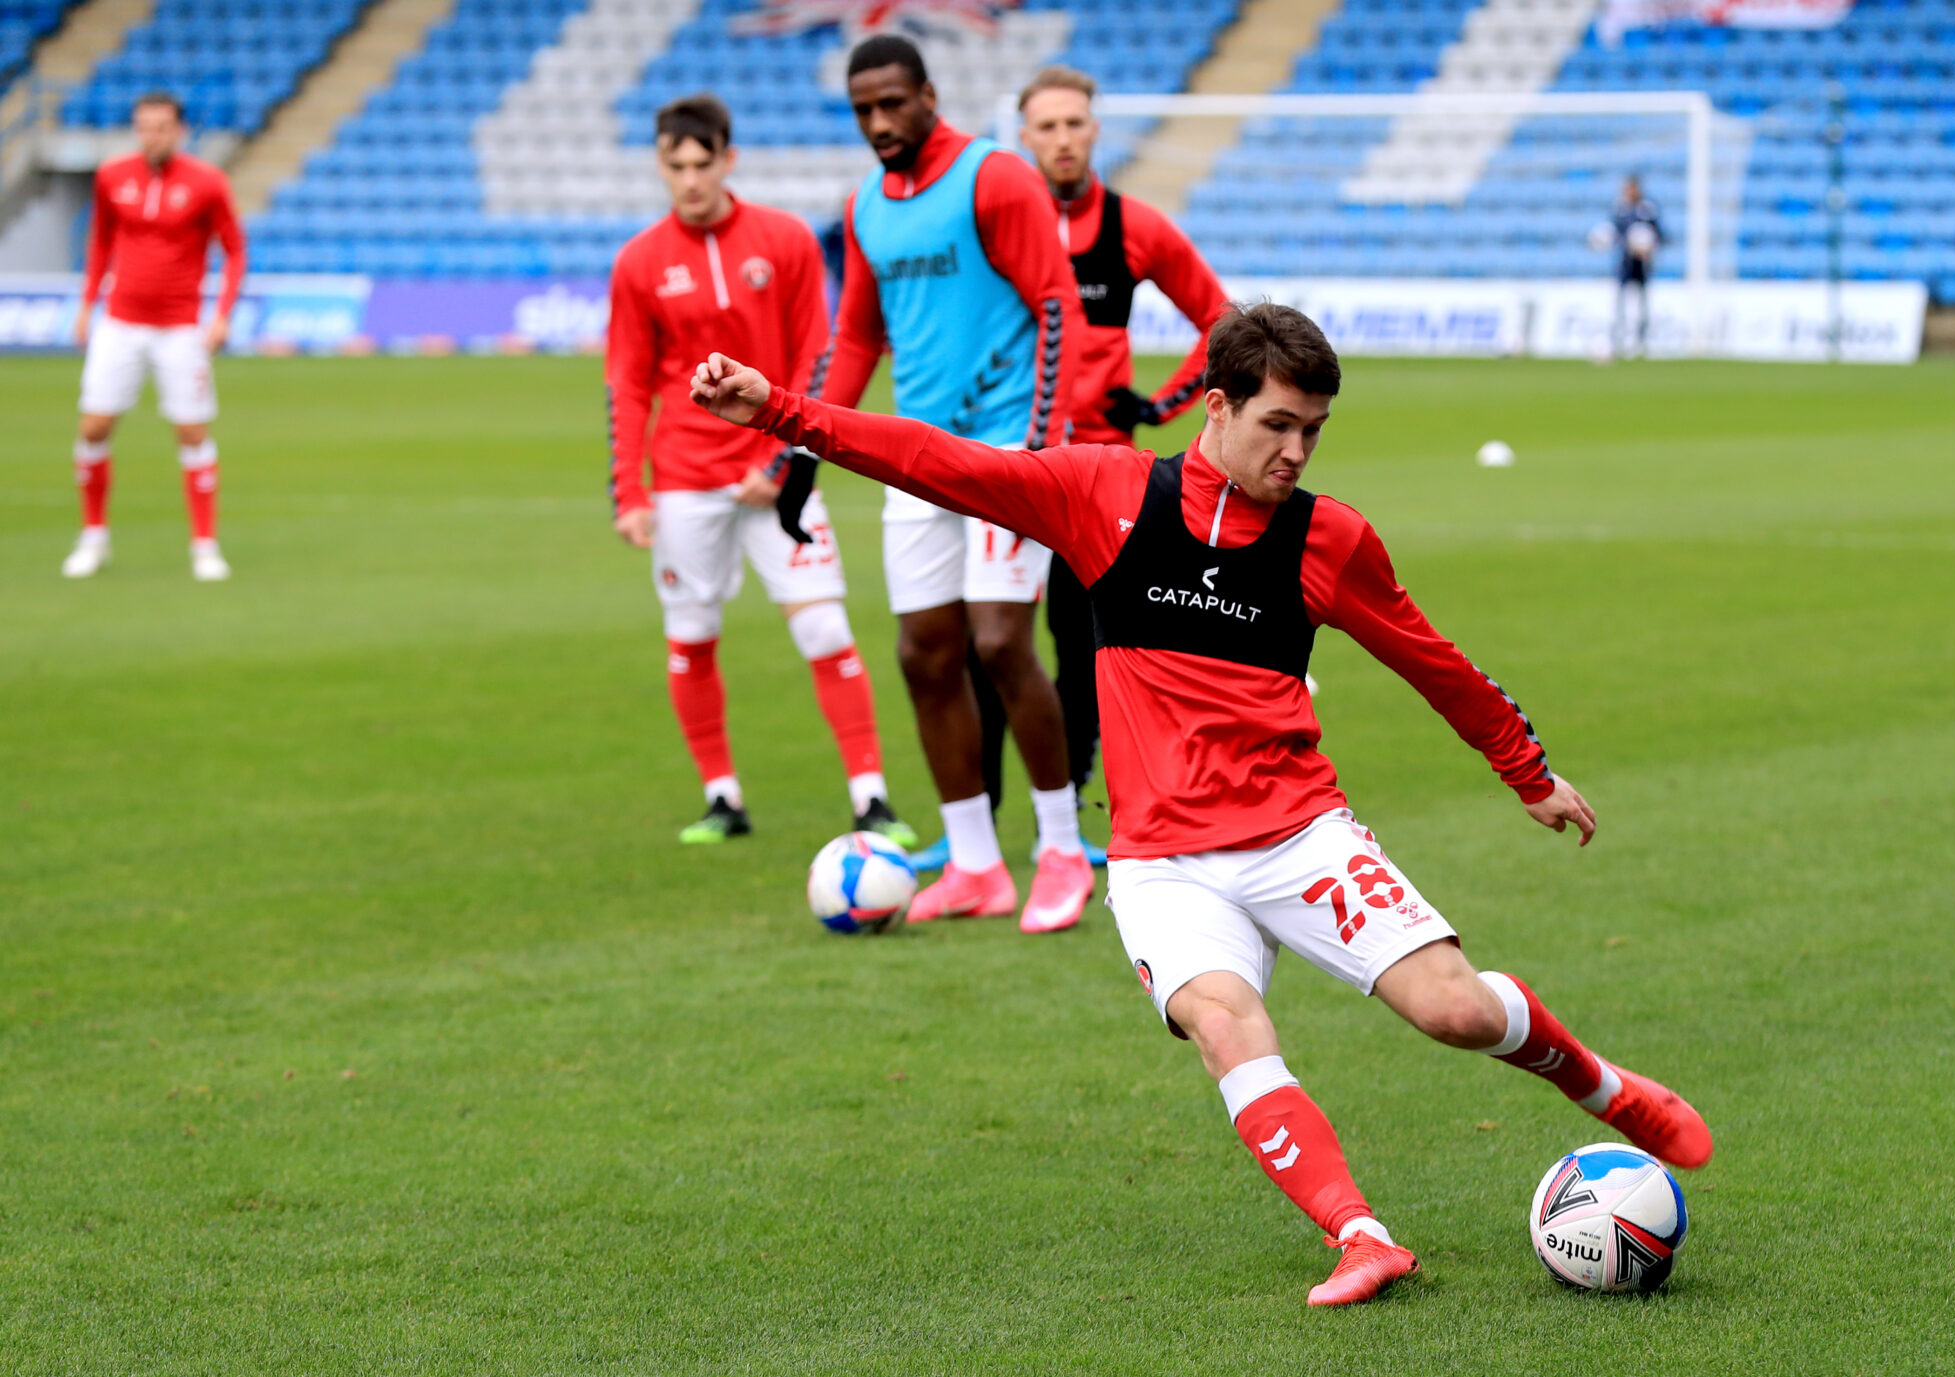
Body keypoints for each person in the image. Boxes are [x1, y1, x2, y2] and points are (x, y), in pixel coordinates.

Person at [688, 302, 1714, 1307]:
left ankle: (1604, 1088)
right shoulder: (1102, 493)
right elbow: (936, 461)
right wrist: (779, 409)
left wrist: (1526, 773)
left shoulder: (1328, 539)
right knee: (1224, 1023)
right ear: (1215, 406)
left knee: (1454, 1010)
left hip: (1297, 834)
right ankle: (1359, 1236)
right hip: (1159, 862)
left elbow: (1429, 659)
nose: (1296, 452)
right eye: (1278, 424)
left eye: (1314, 430)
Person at [816, 34, 1092, 933]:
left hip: (1007, 448)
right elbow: (858, 336)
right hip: (916, 460)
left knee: (1002, 642)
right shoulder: (865, 204)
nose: (879, 122)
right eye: (864, 109)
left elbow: (1056, 303)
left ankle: (1060, 851)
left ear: (928, 96)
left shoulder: (994, 178)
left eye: (892, 103)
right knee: (924, 654)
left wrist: (1041, 444)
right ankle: (976, 864)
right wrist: (805, 443)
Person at [605, 94, 915, 847]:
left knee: (825, 628)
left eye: (701, 163)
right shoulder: (639, 261)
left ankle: (872, 798)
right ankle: (722, 797)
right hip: (684, 480)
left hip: (776, 477)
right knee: (691, 633)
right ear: (660, 166)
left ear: (728, 159)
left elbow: (818, 355)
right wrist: (629, 491)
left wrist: (781, 460)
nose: (690, 180)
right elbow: (629, 382)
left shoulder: (783, 240)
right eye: (675, 166)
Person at [1015, 64, 1231, 814]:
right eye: (1048, 126)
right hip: (1014, 462)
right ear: (1025, 136)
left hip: (1101, 474)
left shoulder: (1134, 226)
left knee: (1087, 641)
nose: (1063, 139)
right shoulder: (1001, 224)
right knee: (991, 641)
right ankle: (984, 818)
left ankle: (1073, 795)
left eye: (1074, 123)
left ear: (1095, 129)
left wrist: (1159, 404)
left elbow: (1221, 320)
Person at [64, 92, 245, 582]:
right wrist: (86, 304)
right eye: (144, 127)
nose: (152, 136)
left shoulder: (207, 182)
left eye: (162, 127)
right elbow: (100, 241)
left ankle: (205, 545)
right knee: (94, 428)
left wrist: (222, 314)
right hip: (120, 322)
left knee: (192, 432)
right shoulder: (112, 176)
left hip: (180, 327)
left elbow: (234, 249)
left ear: (180, 131)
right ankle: (93, 537)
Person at [1603, 175, 1665, 358]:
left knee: (1642, 301)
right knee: (1621, 301)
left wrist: (1648, 246)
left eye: (1632, 189)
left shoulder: (1647, 209)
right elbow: (1614, 232)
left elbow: (1659, 234)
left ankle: (1641, 341)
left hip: (1642, 263)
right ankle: (1618, 339)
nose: (1629, 192)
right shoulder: (1620, 208)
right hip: (1625, 262)